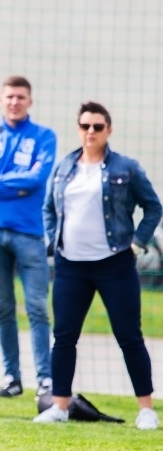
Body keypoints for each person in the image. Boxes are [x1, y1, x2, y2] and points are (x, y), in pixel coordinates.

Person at [34, 102, 162, 429]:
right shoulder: (64, 167)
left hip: (114, 265)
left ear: (109, 130)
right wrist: (54, 240)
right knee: (64, 336)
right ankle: (60, 405)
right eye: (85, 126)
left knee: (129, 335)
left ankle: (146, 409)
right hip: (70, 266)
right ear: (78, 128)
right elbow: (48, 208)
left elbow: (152, 207)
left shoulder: (126, 168)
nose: (90, 132)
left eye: (97, 127)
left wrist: (136, 244)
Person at [0, 76, 57, 400]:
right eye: (10, 97)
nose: (15, 102)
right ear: (1, 100)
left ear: (29, 101)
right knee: (2, 307)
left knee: (37, 307)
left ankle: (45, 380)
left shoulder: (44, 136)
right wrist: (14, 185)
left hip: (30, 234)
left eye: (21, 97)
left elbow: (37, 179)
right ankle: (12, 379)